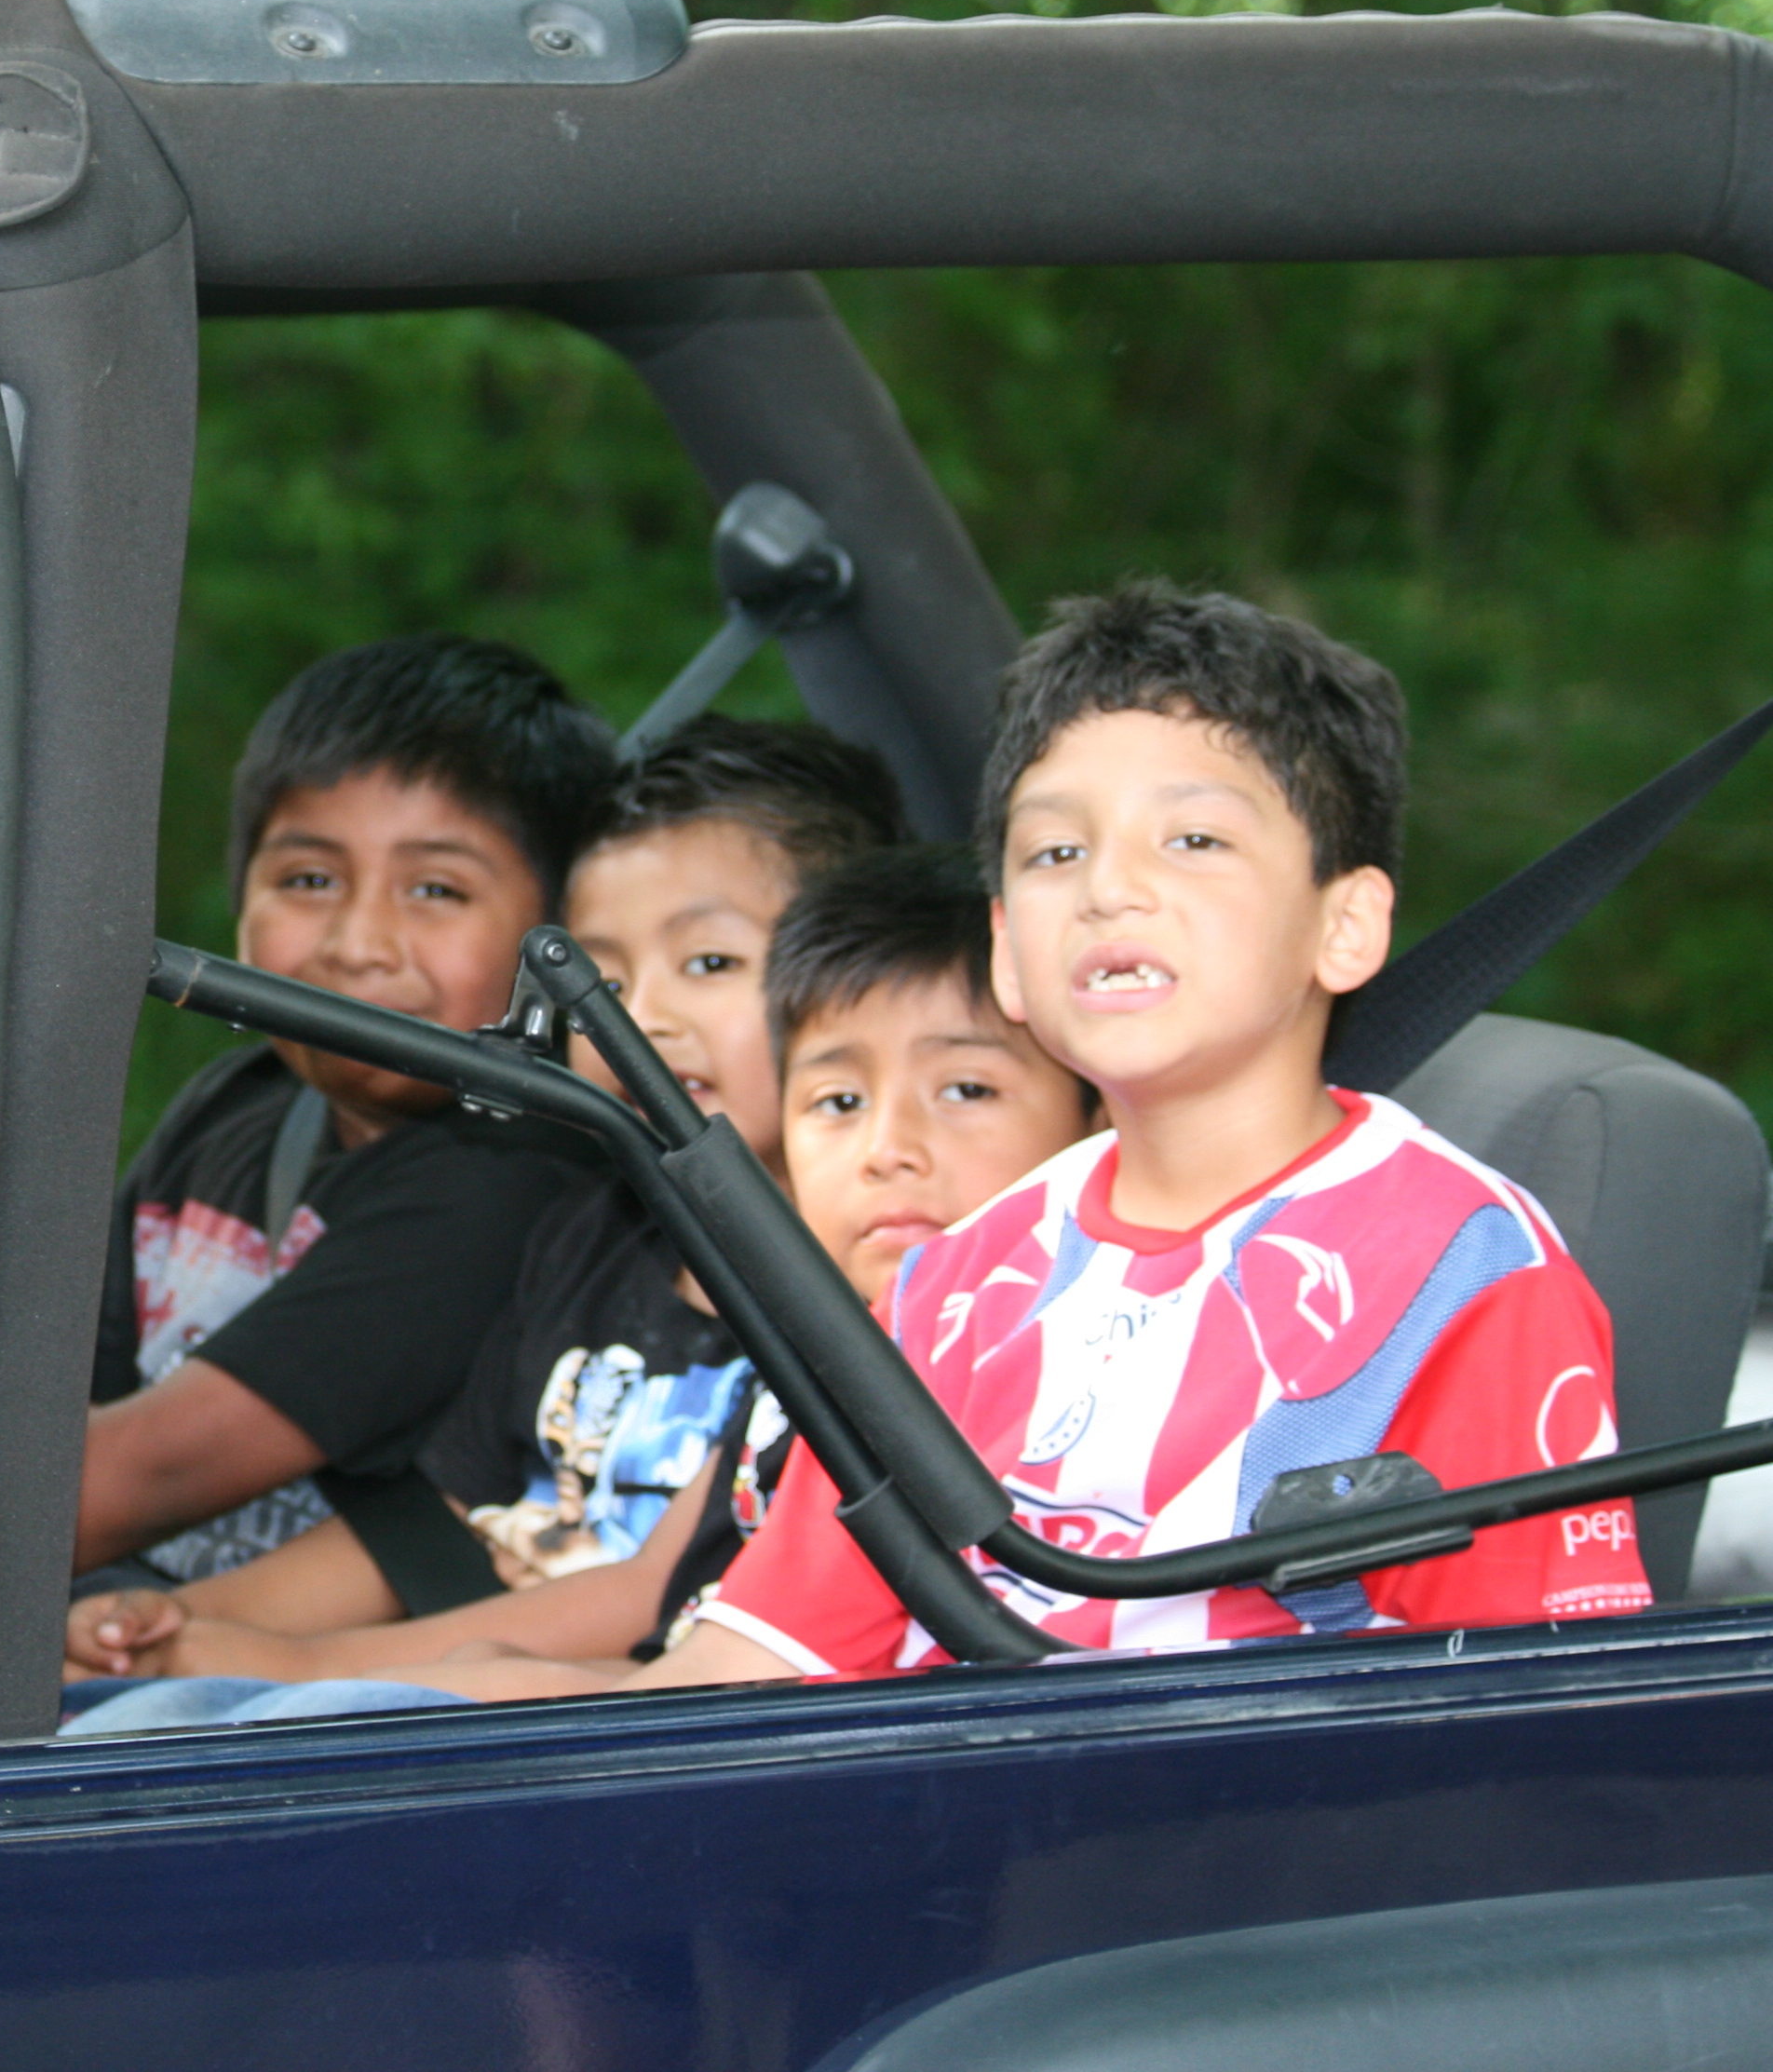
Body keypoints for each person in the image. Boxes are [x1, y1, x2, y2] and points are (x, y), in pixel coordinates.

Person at [633, 582, 1648, 1687]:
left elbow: (1529, 1715)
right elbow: (760, 1654)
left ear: (1346, 925)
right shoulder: (950, 1284)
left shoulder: (1464, 1274)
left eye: (1194, 838)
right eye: (1056, 853)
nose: (1110, 888)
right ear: (1008, 951)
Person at [68, 743, 991, 1700]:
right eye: (604, 985)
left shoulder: (858, 1302)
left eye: (710, 963)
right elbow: (445, 1511)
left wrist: (291, 1665)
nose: (646, 1020)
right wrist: (180, 1627)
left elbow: (648, 1597)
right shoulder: (590, 1240)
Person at [79, 633, 616, 1581]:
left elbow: (115, 1485)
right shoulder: (234, 1105)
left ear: (560, 941)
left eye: (437, 890)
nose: (359, 943)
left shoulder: (511, 1180)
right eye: (309, 880)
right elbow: (55, 1401)